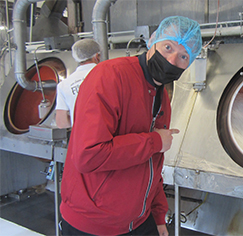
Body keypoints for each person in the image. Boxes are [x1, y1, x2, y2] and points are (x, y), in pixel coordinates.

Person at [60, 16, 202, 236]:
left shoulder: (161, 94)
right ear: (153, 40)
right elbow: (88, 155)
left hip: (138, 221)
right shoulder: (111, 75)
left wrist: (158, 214)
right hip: (94, 224)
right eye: (168, 47)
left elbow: (151, 163)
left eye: (183, 56)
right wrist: (155, 141)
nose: (172, 60)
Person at [55, 38, 101, 128]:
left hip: (81, 138)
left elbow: (61, 122)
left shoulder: (64, 85)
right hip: (108, 135)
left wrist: (76, 120)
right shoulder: (108, 75)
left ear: (76, 59)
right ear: (97, 56)